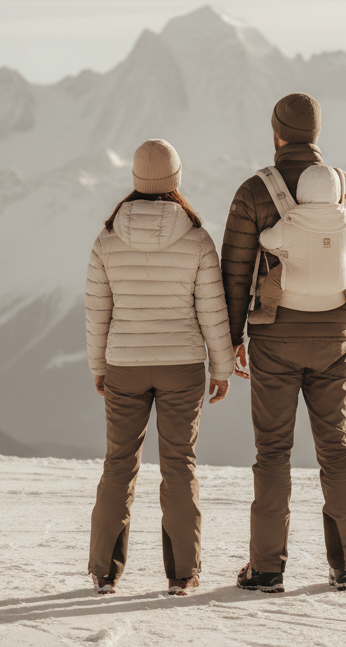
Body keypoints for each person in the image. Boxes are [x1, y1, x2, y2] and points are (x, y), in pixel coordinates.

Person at [221, 92, 346, 593]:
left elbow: (234, 273)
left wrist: (232, 339)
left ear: (277, 134)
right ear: (316, 134)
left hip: (274, 338)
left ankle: (267, 568)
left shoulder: (254, 192)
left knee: (273, 452)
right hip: (335, 336)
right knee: (336, 447)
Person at [86, 139, 236, 597]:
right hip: (182, 366)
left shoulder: (107, 238)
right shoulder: (196, 237)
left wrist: (98, 365)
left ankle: (105, 572)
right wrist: (222, 368)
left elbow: (97, 310)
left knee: (118, 465)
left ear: (135, 178)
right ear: (176, 178)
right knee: (179, 466)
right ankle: (183, 573)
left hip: (125, 364)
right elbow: (212, 310)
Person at [246, 164, 346, 326]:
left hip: (296, 282)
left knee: (274, 279)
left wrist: (264, 235)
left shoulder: (291, 219)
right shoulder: (345, 219)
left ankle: (267, 311)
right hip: (338, 283)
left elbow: (268, 242)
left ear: (301, 190)